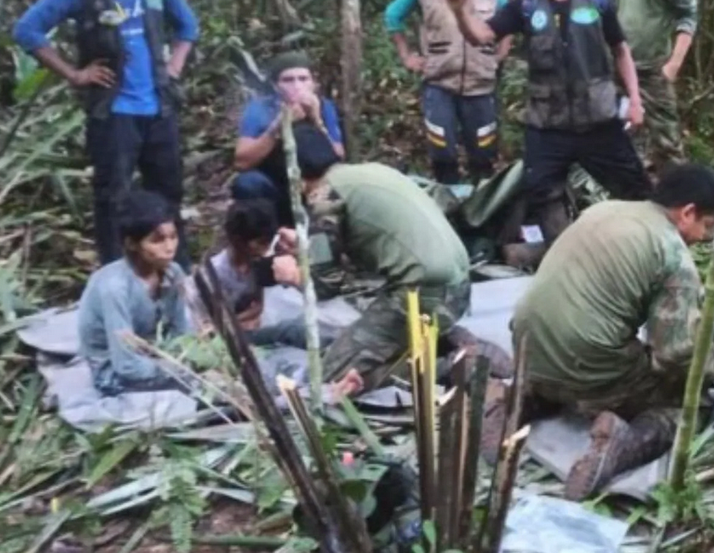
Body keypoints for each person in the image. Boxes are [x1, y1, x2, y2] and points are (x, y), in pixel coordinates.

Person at [491, 164, 714, 501]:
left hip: (527, 346)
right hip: (587, 365)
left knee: (582, 352)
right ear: (687, 212)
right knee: (692, 404)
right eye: (706, 226)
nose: (703, 238)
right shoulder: (674, 257)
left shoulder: (603, 210)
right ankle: (621, 447)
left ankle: (520, 403)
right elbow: (674, 356)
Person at [13, 0, 200, 268]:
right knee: (112, 197)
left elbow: (188, 27)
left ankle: (179, 271)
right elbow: (27, 30)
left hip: (159, 107)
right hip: (114, 112)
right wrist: (74, 74)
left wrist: (174, 66)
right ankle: (118, 274)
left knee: (168, 192)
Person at [452, 0, 652, 247]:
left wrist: (635, 100)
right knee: (542, 193)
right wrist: (460, 11)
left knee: (635, 189)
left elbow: (620, 50)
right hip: (548, 124)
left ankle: (645, 250)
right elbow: (482, 35)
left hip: (598, 120)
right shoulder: (527, 5)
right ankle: (565, 254)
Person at [292, 141, 512, 392]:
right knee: (374, 334)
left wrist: (295, 274)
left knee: (330, 377)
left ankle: (449, 366)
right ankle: (448, 340)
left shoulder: (324, 195)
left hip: (422, 294)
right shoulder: (369, 172)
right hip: (457, 287)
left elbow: (325, 283)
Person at [384, 0, 512, 185]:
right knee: (442, 153)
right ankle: (446, 209)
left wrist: (499, 55)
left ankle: (482, 212)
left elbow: (509, 20)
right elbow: (393, 16)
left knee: (484, 154)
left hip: (480, 86)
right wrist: (407, 56)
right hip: (440, 84)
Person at [598, 0, 699, 172]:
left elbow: (688, 14)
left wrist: (673, 65)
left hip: (653, 70)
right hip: (615, 71)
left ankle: (678, 207)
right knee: (616, 143)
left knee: (667, 144)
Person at [78, 189, 191, 395]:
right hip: (114, 371)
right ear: (131, 244)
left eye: (173, 237)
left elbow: (181, 331)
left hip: (158, 355)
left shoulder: (173, 273)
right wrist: (177, 370)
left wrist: (186, 356)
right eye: (157, 240)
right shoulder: (115, 288)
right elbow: (126, 364)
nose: (170, 247)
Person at [231, 52, 345, 225]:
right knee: (247, 183)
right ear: (276, 86)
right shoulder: (261, 108)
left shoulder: (324, 106)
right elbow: (241, 162)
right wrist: (278, 126)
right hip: (276, 185)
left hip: (316, 187)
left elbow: (339, 156)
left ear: (313, 84)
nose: (297, 85)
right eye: (288, 80)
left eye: (303, 79)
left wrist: (316, 120)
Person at [185, 199, 309, 349]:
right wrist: (238, 323)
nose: (266, 250)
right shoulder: (215, 274)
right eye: (261, 243)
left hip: (242, 326)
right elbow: (210, 326)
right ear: (238, 241)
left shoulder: (258, 263)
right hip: (223, 340)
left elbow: (258, 307)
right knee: (288, 331)